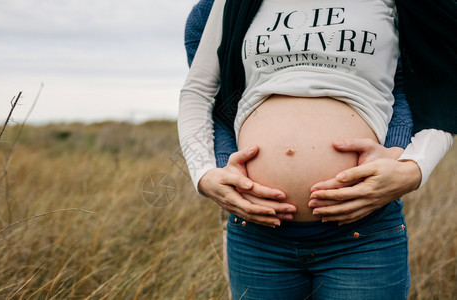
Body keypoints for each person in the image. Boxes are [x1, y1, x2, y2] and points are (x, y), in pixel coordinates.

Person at [179, 0, 455, 298]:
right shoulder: (226, 4)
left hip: (361, 233)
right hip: (257, 235)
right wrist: (204, 174)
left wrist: (414, 168)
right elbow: (200, 90)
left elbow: (443, 82)